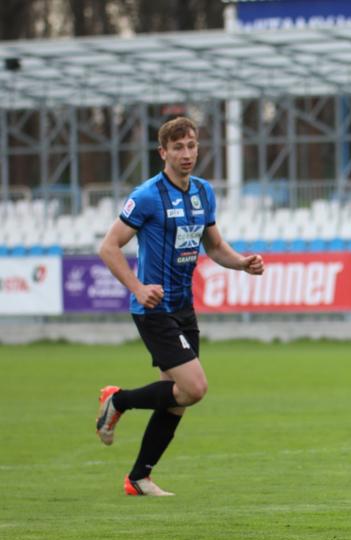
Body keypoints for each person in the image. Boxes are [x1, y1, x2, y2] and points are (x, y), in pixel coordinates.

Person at [95, 116, 264, 496]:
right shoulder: (147, 195)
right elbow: (108, 247)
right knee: (194, 388)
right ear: (163, 153)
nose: (186, 154)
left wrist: (242, 263)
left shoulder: (203, 192)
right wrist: (137, 288)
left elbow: (214, 246)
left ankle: (139, 478)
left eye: (191, 146)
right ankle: (117, 400)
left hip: (184, 307)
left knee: (177, 398)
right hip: (153, 308)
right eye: (177, 148)